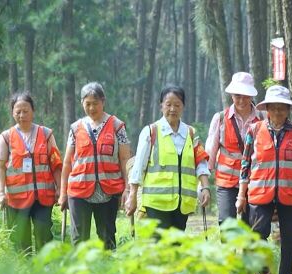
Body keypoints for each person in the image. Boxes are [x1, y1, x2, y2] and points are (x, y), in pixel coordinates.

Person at [235, 85, 292, 274]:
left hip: (289, 195)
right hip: (260, 193)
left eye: (283, 108)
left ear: (288, 110)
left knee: (288, 240)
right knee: (258, 237)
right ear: (267, 109)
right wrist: (241, 195)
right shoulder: (254, 130)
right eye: (274, 108)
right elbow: (245, 164)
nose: (278, 112)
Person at [125, 85, 210, 231]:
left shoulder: (191, 133)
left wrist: (205, 187)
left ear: (183, 106)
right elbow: (138, 166)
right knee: (160, 244)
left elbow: (201, 162)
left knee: (176, 246)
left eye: (177, 105)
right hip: (156, 202)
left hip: (182, 203)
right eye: (168, 104)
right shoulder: (151, 131)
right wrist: (132, 195)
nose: (173, 109)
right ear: (161, 106)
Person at [58, 82, 130, 250]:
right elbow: (67, 163)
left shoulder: (117, 126)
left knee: (107, 239)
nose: (91, 108)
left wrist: (127, 189)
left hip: (108, 190)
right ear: (82, 103)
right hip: (79, 190)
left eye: (95, 103)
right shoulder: (75, 128)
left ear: (103, 102)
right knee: (79, 240)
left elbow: (125, 159)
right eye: (87, 103)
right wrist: (63, 193)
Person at [0, 91, 63, 254]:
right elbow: (0, 167)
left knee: (43, 235)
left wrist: (61, 188)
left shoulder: (46, 134)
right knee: (20, 240)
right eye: (18, 111)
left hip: (42, 198)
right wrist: (0, 193)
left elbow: (56, 164)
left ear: (33, 111)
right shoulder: (5, 137)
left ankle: (44, 271)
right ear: (12, 113)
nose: (22, 115)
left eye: (25, 110)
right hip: (16, 199)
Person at [205, 72, 265, 226]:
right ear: (232, 95)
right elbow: (210, 153)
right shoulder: (220, 118)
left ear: (251, 96)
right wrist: (204, 183)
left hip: (255, 180)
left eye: (245, 95)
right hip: (227, 181)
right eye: (237, 95)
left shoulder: (263, 119)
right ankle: (228, 251)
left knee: (252, 226)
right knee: (226, 223)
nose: (241, 100)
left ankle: (248, 251)